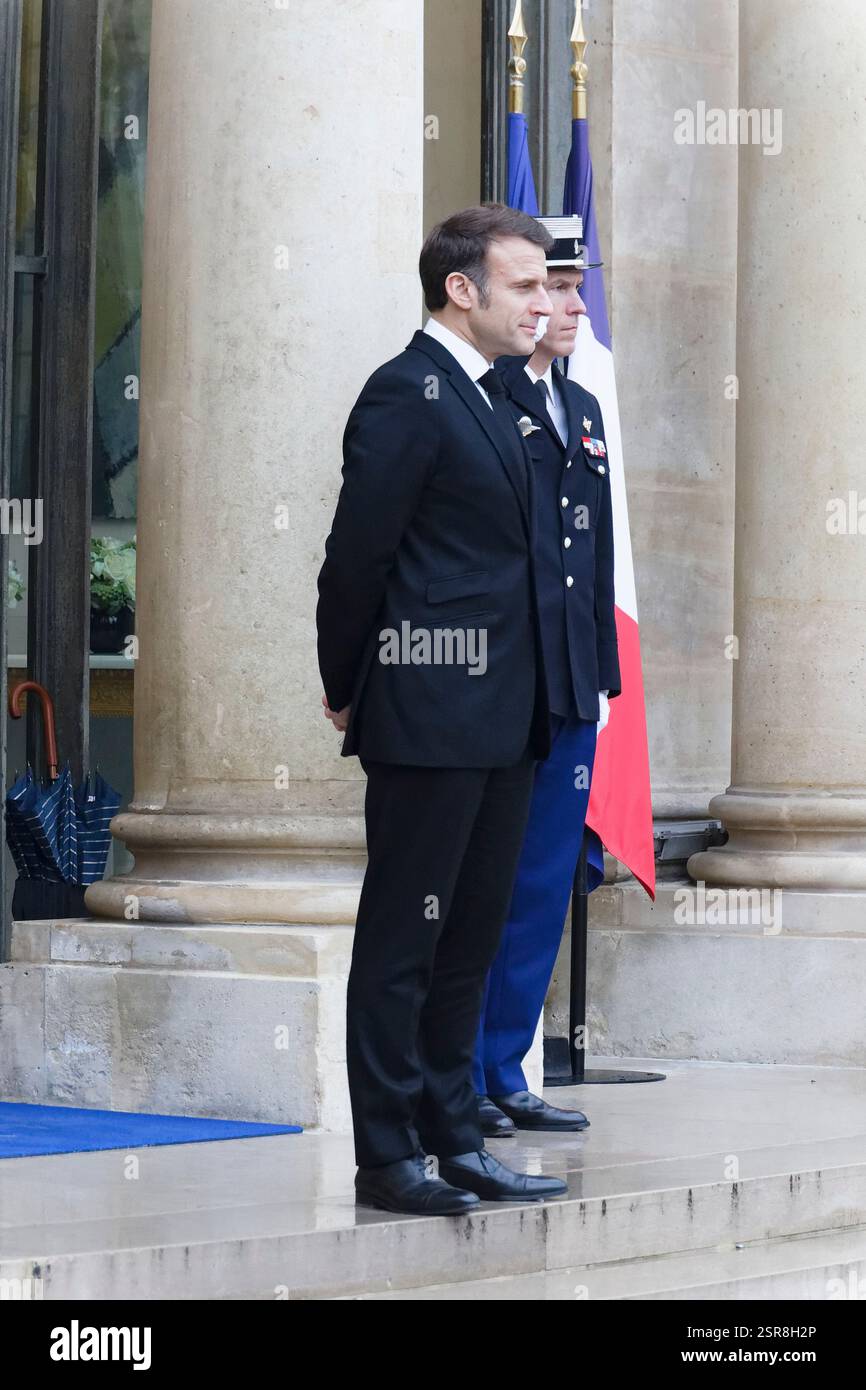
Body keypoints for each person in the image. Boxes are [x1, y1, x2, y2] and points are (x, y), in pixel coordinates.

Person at [316, 204, 570, 1216]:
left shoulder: (500, 395)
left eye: (546, 286)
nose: (542, 303)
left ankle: (451, 1132)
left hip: (508, 716)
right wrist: (347, 681)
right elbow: (357, 558)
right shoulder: (405, 393)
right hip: (426, 707)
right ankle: (386, 1156)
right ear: (459, 290)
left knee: (467, 933)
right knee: (402, 940)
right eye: (523, 285)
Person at [473, 215, 621, 1136]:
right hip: (502, 688)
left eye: (572, 288)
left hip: (569, 685)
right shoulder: (486, 401)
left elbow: (592, 561)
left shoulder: (584, 407)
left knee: (539, 886)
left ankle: (506, 1063)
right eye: (550, 287)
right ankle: (459, 1072)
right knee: (477, 886)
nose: (569, 305)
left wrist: (601, 677)